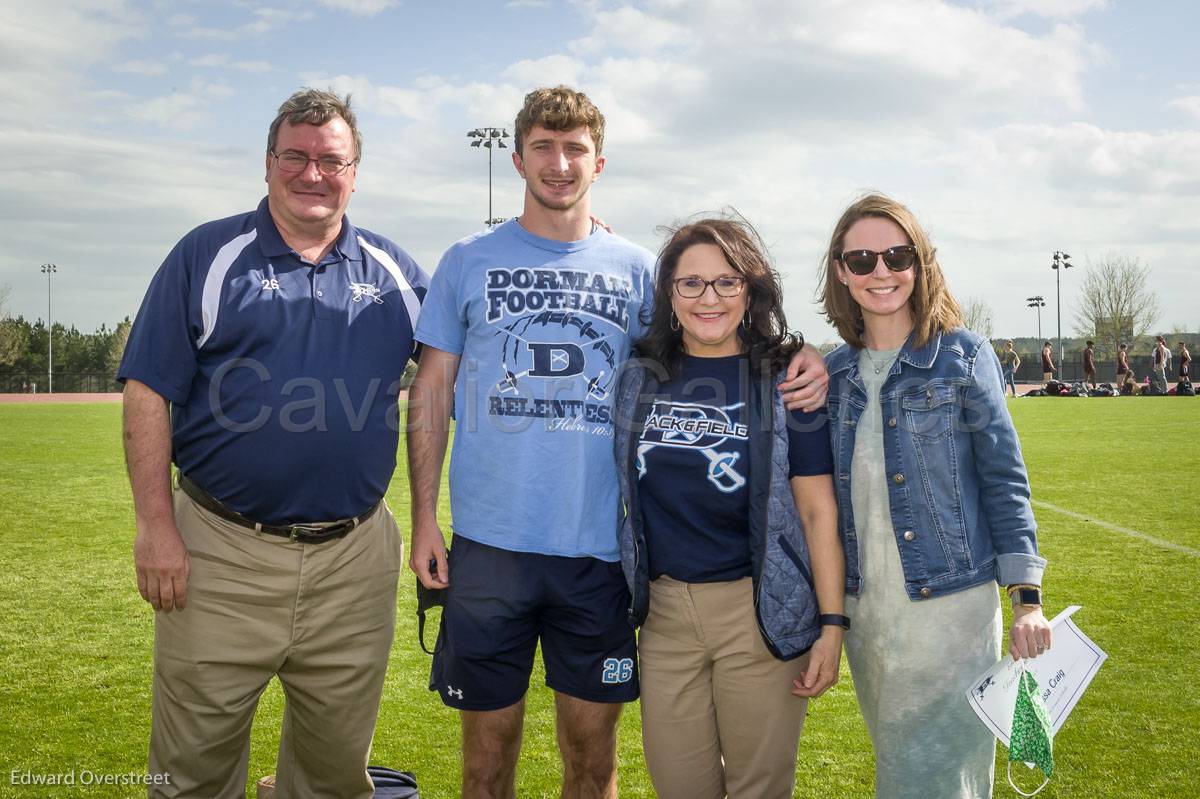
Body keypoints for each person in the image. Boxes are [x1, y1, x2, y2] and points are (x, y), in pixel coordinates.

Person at [405, 86, 829, 798]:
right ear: (515, 158)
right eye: (543, 146)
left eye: (575, 148)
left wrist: (806, 352)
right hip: (489, 546)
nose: (559, 162)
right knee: (484, 757)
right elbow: (431, 390)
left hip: (599, 555)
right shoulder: (466, 260)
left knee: (593, 757)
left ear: (599, 162)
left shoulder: (637, 269)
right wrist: (423, 518)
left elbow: (715, 326)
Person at [118, 89, 428, 798]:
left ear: (356, 172)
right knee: (192, 768)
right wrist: (155, 524)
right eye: (296, 156)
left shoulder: (398, 272)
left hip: (354, 560)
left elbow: (469, 347)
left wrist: (575, 236)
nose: (313, 173)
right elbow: (146, 391)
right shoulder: (207, 252)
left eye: (331, 160)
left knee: (332, 772)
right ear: (267, 164)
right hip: (221, 551)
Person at [819, 194, 1052, 798]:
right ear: (841, 271)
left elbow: (1005, 481)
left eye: (896, 255)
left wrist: (1026, 598)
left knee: (939, 776)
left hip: (951, 608)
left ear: (919, 263)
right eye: (862, 258)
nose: (881, 272)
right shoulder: (833, 373)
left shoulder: (963, 357)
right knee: (899, 761)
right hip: (870, 616)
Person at [612, 216, 844, 799]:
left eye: (726, 282)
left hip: (757, 612)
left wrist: (832, 625)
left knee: (758, 789)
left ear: (751, 289)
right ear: (668, 292)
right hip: (664, 617)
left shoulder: (785, 379)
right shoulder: (640, 376)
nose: (708, 298)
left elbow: (818, 512)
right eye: (691, 283)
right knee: (679, 785)